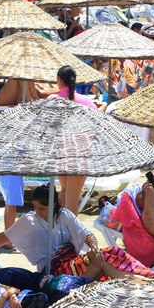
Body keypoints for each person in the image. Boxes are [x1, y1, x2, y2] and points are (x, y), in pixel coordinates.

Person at [0, 186, 154, 279]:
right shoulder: (29, 220)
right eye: (35, 207)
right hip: (53, 269)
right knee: (100, 260)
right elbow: (4, 237)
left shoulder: (64, 215)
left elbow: (87, 234)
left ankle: (144, 278)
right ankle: (138, 283)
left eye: (42, 208)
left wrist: (93, 247)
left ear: (53, 204)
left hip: (73, 261)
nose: (37, 211)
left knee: (110, 252)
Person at [48, 66, 97, 214]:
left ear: (59, 80)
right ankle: (68, 233)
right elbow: (97, 125)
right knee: (72, 198)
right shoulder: (86, 101)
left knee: (64, 193)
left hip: (61, 151)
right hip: (80, 153)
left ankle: (62, 230)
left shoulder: (52, 100)